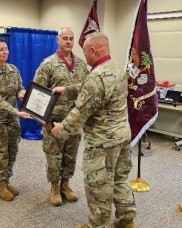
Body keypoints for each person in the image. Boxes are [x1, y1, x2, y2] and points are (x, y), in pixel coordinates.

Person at [51, 32, 136, 228]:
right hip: (122, 136)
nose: (84, 55)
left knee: (98, 185)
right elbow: (93, 87)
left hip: (102, 143)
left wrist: (60, 129)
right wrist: (67, 90)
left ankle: (95, 225)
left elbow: (79, 113)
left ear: (93, 50)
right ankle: (126, 220)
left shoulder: (96, 76)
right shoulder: (116, 68)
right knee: (120, 179)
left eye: (84, 51)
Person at [32, 27, 88, 206]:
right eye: (65, 38)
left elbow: (87, 91)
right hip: (54, 122)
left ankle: (66, 185)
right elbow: (36, 96)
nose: (69, 42)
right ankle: (54, 187)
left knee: (70, 157)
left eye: (71, 38)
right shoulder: (48, 64)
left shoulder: (81, 65)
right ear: (58, 40)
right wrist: (46, 123)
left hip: (74, 122)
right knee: (54, 157)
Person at [0, 37, 32, 201]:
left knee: (12, 151)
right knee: (1, 152)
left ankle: (6, 180)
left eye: (6, 49)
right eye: (1, 49)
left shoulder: (14, 69)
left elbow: (20, 88)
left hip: (11, 119)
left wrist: (22, 94)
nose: (5, 52)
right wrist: (16, 112)